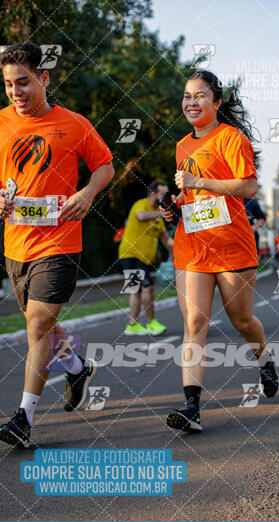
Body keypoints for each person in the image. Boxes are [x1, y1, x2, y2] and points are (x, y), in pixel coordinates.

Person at [0, 42, 114, 448]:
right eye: (9, 85)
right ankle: (78, 369)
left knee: (36, 326)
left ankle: (23, 419)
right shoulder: (1, 123)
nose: (16, 93)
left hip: (60, 241)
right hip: (16, 246)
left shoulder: (75, 124)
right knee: (42, 323)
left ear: (44, 78)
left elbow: (105, 164)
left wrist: (87, 192)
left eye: (24, 83)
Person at [160, 70, 279, 433]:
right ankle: (191, 406)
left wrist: (200, 182)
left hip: (231, 246)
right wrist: (176, 204)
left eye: (199, 96)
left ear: (216, 102)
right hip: (193, 244)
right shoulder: (183, 145)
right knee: (194, 324)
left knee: (241, 321)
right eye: (186, 96)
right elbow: (193, 195)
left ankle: (264, 360)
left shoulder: (231, 138)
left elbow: (248, 187)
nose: (191, 102)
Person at [118, 180, 174, 335]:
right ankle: (151, 323)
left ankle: (132, 325)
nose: (165, 197)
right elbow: (141, 216)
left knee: (135, 290)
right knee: (148, 287)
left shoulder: (159, 215)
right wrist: (161, 213)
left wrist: (182, 248)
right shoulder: (141, 204)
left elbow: (166, 240)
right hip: (131, 254)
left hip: (141, 259)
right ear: (153, 194)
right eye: (163, 194)